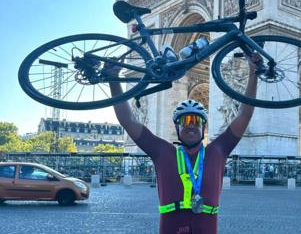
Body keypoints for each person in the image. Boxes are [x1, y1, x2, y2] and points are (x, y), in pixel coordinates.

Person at [108, 54, 260, 234]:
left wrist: (254, 71)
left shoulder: (218, 150)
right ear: (177, 128)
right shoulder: (162, 151)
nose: (190, 125)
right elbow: (128, 120)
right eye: (185, 121)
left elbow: (244, 114)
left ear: (204, 126)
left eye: (196, 120)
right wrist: (113, 79)